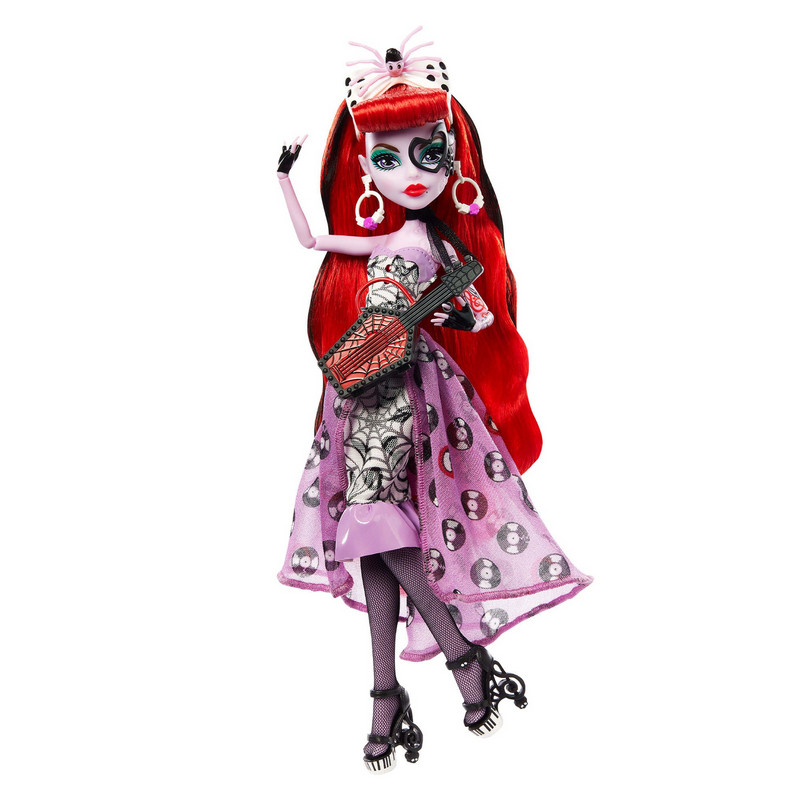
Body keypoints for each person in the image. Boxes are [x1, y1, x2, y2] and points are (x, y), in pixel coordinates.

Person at [276, 28, 591, 773]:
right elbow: (310, 241)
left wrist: (421, 319)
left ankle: (446, 663)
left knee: (385, 535)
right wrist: (282, 177)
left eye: (428, 153)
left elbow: (476, 315)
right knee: (370, 542)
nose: (410, 174)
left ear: (454, 159)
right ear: (364, 168)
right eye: (386, 159)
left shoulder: (439, 245)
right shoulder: (380, 242)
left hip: (405, 397)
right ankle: (397, 686)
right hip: (358, 392)